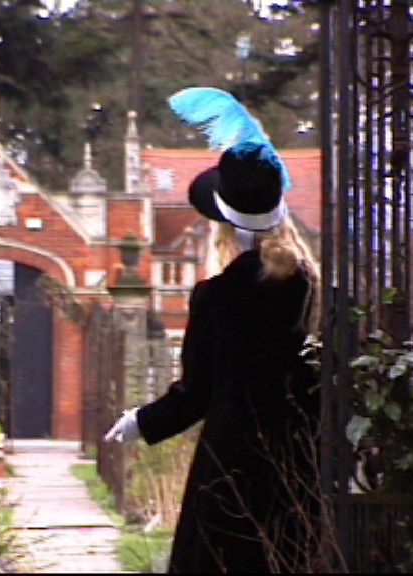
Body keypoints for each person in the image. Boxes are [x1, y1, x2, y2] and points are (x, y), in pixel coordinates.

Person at [104, 88, 322, 573]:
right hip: (302, 468)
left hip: (232, 473)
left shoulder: (219, 296)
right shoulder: (313, 288)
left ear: (225, 225)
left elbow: (195, 393)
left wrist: (141, 421)